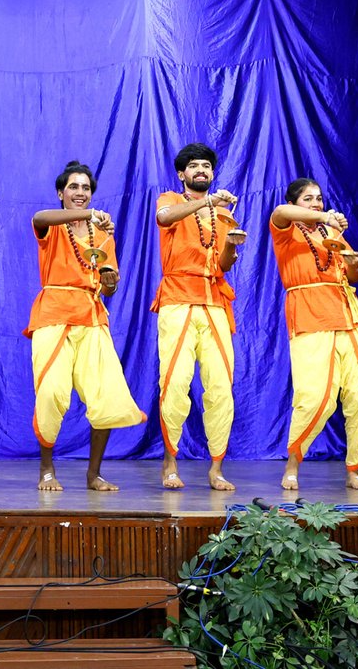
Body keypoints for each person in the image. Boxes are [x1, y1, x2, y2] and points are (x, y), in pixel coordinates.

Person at [26, 161, 147, 491]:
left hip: (92, 318)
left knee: (107, 396)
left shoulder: (103, 234)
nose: (80, 192)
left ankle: (93, 474)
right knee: (51, 392)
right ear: (61, 193)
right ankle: (47, 469)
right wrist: (87, 215)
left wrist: (110, 283)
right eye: (73, 187)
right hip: (53, 315)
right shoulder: (52, 225)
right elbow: (39, 218)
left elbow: (109, 286)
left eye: (86, 188)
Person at [270, 178, 358, 491]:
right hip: (310, 313)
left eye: (319, 198)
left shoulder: (333, 233)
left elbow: (353, 275)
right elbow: (279, 212)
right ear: (294, 202)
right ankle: (292, 465)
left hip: (350, 315)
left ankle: (354, 469)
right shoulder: (287, 228)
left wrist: (354, 264)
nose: (316, 203)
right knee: (315, 398)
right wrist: (325, 216)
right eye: (308, 198)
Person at [152, 143, 245, 491]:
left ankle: (216, 467)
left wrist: (231, 246)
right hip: (178, 298)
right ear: (182, 174)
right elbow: (164, 219)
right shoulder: (171, 200)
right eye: (194, 166)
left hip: (215, 302)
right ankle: (170, 462)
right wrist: (208, 203)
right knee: (175, 383)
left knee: (221, 386)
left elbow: (223, 265)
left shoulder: (223, 214)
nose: (201, 170)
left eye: (206, 166)